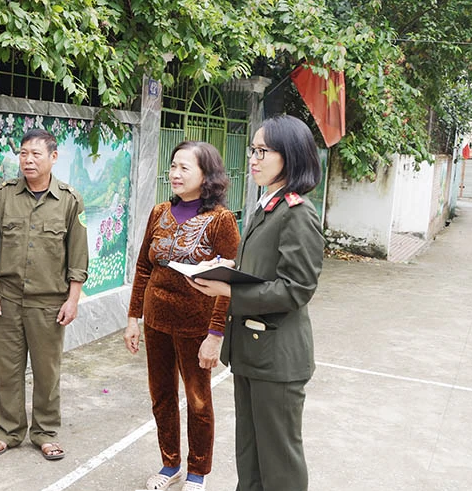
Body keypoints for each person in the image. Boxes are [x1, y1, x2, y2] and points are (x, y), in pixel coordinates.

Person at [188, 115, 324, 491]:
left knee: (279, 465)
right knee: (250, 459)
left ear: (290, 156)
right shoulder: (268, 206)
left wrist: (229, 291)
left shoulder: (297, 213)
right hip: (252, 352)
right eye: (253, 149)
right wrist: (226, 269)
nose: (253, 158)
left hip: (277, 358)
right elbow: (263, 270)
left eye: (262, 151)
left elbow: (296, 289)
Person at [124, 141, 240, 491]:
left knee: (198, 400)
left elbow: (230, 281)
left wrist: (215, 335)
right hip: (156, 321)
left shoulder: (221, 220)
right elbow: (144, 267)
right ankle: (170, 463)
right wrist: (133, 318)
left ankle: (197, 473)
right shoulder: (159, 212)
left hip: (196, 327)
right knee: (161, 396)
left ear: (207, 175)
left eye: (184, 168)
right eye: (173, 166)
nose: (175, 173)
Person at [0, 128, 89, 461]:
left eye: (35, 154)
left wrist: (72, 299)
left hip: (48, 304)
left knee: (47, 372)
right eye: (23, 153)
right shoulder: (4, 195)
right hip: (8, 299)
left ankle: (45, 432)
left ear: (53, 157)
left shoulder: (69, 200)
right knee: (7, 370)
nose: (28, 160)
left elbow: (78, 258)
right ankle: (8, 431)